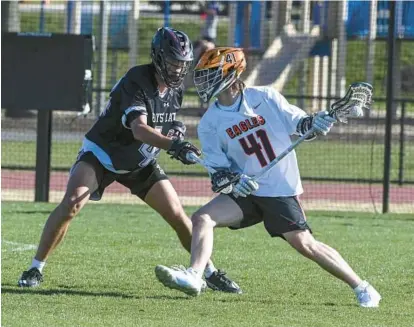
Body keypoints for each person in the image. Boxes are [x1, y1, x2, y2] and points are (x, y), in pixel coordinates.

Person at [18, 29, 241, 294]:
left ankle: (209, 272)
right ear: (158, 58)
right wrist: (173, 145)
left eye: (182, 64)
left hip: (141, 161)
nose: (178, 69)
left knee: (178, 216)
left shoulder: (175, 89)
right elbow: (139, 129)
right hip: (104, 154)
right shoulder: (137, 79)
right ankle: (35, 268)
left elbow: (165, 123)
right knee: (72, 203)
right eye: (173, 62)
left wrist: (176, 132)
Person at [154, 47, 382, 307]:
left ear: (230, 73)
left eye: (210, 74)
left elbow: (301, 124)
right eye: (202, 75)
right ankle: (195, 276)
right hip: (246, 191)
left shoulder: (265, 97)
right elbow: (218, 172)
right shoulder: (210, 122)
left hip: (278, 189)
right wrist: (232, 181)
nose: (203, 81)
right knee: (202, 218)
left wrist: (317, 123)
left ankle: (363, 287)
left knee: (304, 244)